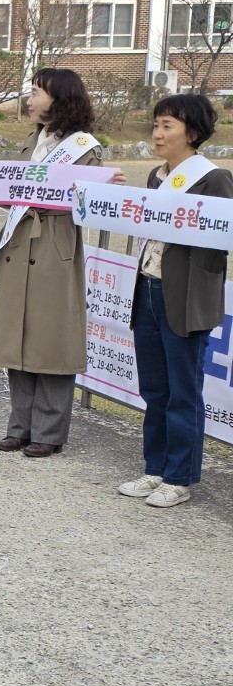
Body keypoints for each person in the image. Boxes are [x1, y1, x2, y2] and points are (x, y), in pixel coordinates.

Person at [118, 94, 232, 508]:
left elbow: (219, 241)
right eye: (155, 125)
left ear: (193, 131)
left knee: (184, 389)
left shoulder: (213, 178)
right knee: (154, 388)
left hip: (184, 296)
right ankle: (155, 469)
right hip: (147, 287)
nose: (157, 134)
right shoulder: (155, 175)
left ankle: (180, 477)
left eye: (167, 125)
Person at [0, 68, 104, 457]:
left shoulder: (84, 147)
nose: (30, 98)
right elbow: (10, 190)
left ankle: (49, 431)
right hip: (19, 241)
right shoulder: (30, 142)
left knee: (51, 337)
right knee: (18, 334)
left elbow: (88, 203)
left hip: (55, 242)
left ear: (60, 98)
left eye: (36, 92)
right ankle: (19, 425)